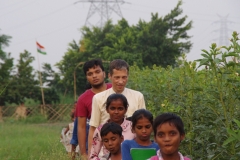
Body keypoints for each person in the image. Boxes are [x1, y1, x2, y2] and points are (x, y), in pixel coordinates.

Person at [88, 59, 146, 152]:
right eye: (117, 77)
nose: (120, 81)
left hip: (131, 151)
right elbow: (93, 127)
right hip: (106, 152)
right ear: (109, 76)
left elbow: (143, 125)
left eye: (124, 77)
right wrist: (91, 154)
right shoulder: (98, 98)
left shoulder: (137, 96)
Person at [70, 59, 112, 160]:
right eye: (90, 74)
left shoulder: (114, 89)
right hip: (97, 144)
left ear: (104, 74)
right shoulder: (83, 99)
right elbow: (81, 127)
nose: (94, 76)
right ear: (87, 77)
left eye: (97, 72)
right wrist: (84, 153)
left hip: (120, 141)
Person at [89, 94, 135, 160]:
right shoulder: (100, 129)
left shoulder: (133, 127)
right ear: (107, 109)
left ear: (126, 110)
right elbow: (93, 155)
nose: (116, 112)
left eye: (120, 109)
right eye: (112, 108)